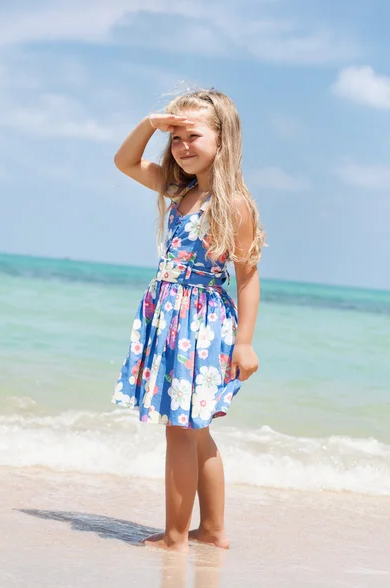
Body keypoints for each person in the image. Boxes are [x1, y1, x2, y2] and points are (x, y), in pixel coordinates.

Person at [111, 89, 264, 552]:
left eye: (192, 135)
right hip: (172, 319)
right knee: (195, 430)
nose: (181, 145)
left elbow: (248, 278)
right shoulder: (181, 191)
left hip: (201, 325)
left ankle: (176, 535)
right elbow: (126, 162)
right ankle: (212, 530)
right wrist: (150, 123)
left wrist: (245, 343)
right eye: (174, 137)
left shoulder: (233, 204)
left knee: (181, 428)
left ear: (223, 139)